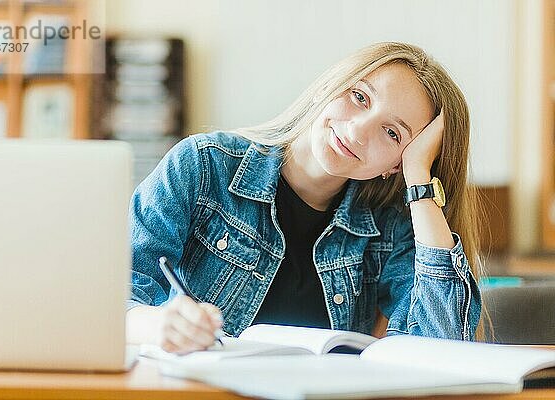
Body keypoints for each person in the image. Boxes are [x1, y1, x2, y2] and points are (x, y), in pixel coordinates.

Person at [126, 42, 485, 353]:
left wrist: (420, 182)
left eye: (392, 133)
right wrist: (162, 326)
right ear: (330, 86)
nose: (358, 131)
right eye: (359, 97)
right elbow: (112, 304)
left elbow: (440, 345)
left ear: (396, 165)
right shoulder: (203, 166)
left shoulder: (389, 223)